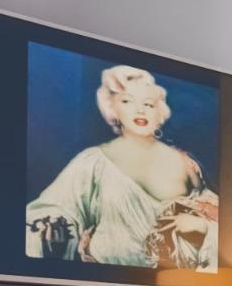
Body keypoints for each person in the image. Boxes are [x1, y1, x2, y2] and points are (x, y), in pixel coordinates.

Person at [26, 65, 218, 272]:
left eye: (148, 104)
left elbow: (221, 221)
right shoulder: (92, 162)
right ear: (113, 109)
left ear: (159, 112)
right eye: (127, 101)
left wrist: (201, 226)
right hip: (104, 282)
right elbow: (53, 210)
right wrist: (51, 227)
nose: (140, 110)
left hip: (174, 284)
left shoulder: (185, 163)